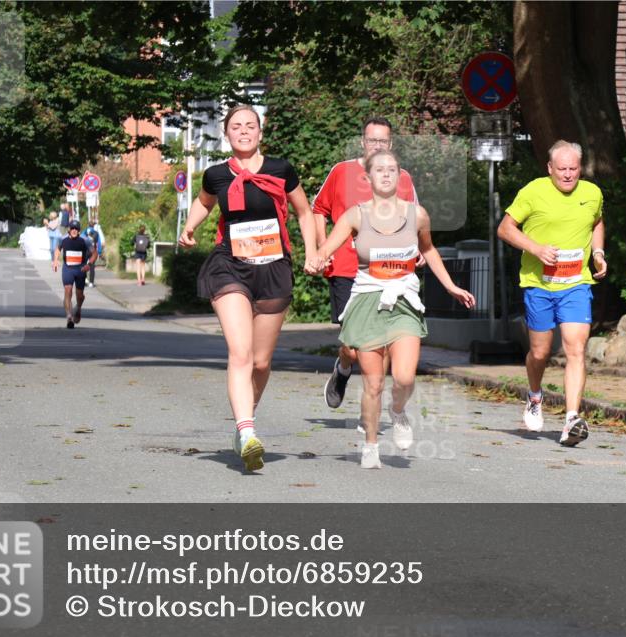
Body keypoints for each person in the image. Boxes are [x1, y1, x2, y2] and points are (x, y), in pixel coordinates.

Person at [306, 150, 475, 469]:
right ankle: (370, 444)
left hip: (404, 301)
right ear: (367, 178)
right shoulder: (355, 216)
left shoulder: (418, 215)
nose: (386, 174)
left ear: (400, 177)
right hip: (369, 299)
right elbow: (326, 248)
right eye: (379, 170)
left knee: (404, 377)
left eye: (392, 170)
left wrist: (451, 286)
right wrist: (316, 260)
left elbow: (429, 250)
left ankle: (398, 412)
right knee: (373, 382)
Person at [178, 105, 318, 473]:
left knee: (260, 361)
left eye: (250, 126)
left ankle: (244, 423)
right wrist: (189, 228)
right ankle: (247, 430)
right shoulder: (216, 174)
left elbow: (304, 211)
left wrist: (313, 253)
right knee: (239, 352)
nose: (243, 131)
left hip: (273, 266)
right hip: (230, 266)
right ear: (227, 134)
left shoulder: (281, 170)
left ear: (260, 131)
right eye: (236, 127)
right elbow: (204, 203)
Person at [497, 140, 608, 447]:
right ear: (549, 169)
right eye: (562, 169)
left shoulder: (592, 193)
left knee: (575, 348)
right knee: (541, 353)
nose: (569, 175)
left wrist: (597, 252)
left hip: (576, 283)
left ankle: (572, 417)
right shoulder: (533, 192)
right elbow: (505, 229)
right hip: (539, 285)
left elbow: (597, 222)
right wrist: (536, 248)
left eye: (574, 168)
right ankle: (534, 395)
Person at [313, 117, 419, 421]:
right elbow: (318, 210)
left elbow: (413, 219)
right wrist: (324, 250)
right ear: (363, 142)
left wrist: (418, 252)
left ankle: (370, 410)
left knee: (381, 344)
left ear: (391, 144)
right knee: (354, 346)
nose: (377, 146)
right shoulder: (342, 172)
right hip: (346, 269)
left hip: (388, 273)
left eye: (382, 141)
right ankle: (343, 367)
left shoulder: (403, 178)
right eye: (372, 140)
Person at [52, 220, 96, 329]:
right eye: (72, 228)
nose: (74, 231)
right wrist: (55, 261)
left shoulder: (85, 240)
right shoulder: (63, 239)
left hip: (80, 270)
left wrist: (89, 264)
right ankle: (69, 317)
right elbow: (57, 249)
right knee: (68, 290)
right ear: (69, 229)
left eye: (76, 229)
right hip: (68, 269)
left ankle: (78, 308)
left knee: (80, 295)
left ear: (79, 231)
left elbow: (95, 254)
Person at [83, 219, 103, 287]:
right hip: (93, 251)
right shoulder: (96, 233)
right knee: (92, 267)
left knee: (84, 264)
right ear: (94, 225)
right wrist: (99, 252)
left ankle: (85, 280)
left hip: (85, 250)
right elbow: (99, 243)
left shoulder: (84, 232)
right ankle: (91, 282)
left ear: (88, 225)